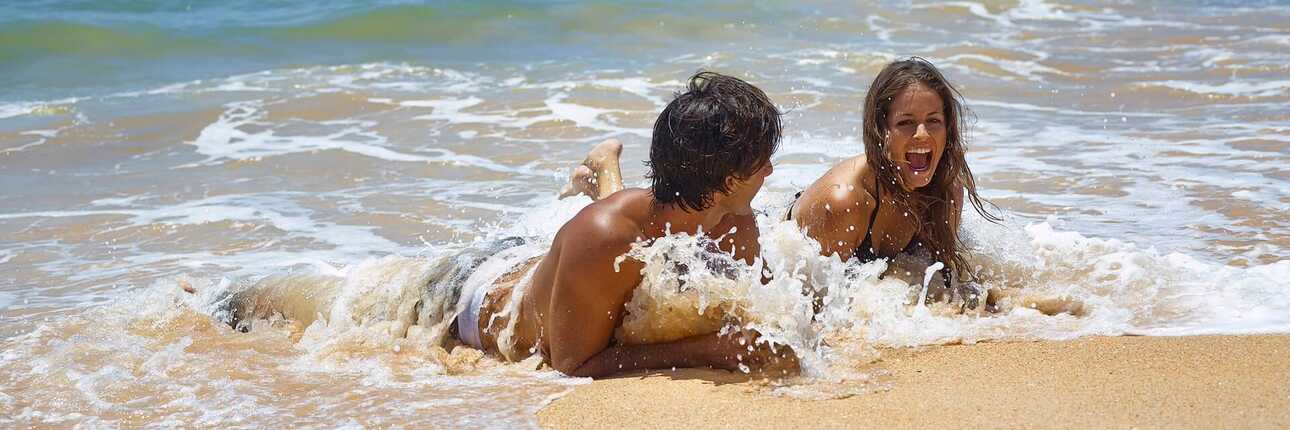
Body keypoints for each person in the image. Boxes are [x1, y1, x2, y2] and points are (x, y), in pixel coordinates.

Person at [216, 71, 794, 378]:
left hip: (566, 265)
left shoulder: (732, 215)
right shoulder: (605, 239)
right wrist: (710, 351)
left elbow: (750, 309)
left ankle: (602, 172)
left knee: (629, 245)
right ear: (719, 177)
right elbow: (572, 363)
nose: (771, 168)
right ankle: (217, 300)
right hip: (460, 297)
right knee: (328, 301)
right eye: (757, 161)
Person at [786, 57, 999, 308]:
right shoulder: (844, 202)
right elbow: (810, 304)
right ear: (881, 131)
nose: (922, 134)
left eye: (933, 121)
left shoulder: (947, 189)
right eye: (905, 123)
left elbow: (946, 278)